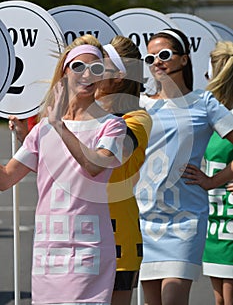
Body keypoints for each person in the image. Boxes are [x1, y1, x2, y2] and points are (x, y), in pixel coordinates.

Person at [2, 34, 127, 305]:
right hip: (48, 250)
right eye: (78, 67)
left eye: (96, 68)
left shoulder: (112, 126)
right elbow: (5, 179)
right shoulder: (43, 130)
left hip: (88, 248)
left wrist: (59, 125)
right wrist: (52, 125)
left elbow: (94, 164)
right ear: (64, 72)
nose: (87, 75)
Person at [134, 28, 233, 305]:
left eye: (164, 55)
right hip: (143, 217)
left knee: (174, 297)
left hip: (186, 219)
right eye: (150, 58)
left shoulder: (204, 103)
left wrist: (214, 180)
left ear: (184, 60)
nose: (157, 62)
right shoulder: (139, 104)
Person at [95, 36, 152, 305]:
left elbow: (110, 152)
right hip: (80, 229)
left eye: (98, 65)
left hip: (118, 232)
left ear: (118, 76)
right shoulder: (78, 115)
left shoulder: (138, 119)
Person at [184, 40, 233, 305]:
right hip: (215, 219)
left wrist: (213, 180)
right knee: (220, 298)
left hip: (229, 218)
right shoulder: (212, 115)